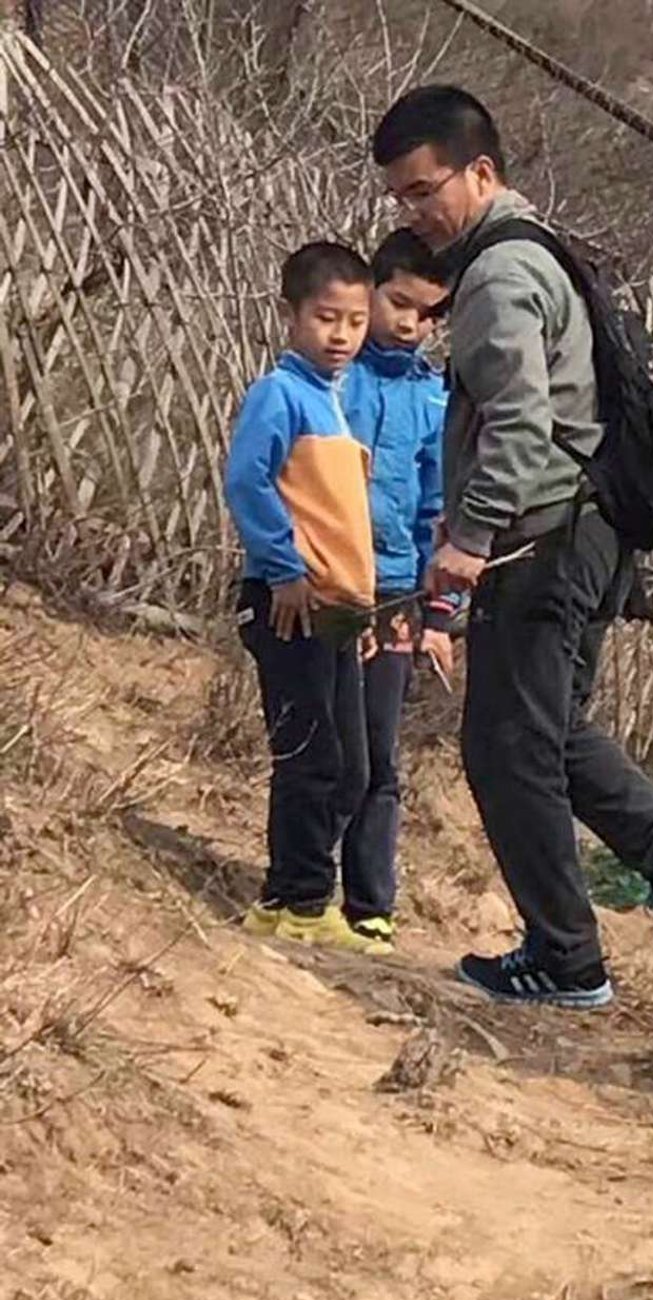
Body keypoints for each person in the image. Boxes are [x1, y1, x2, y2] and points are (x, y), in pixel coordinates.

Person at [372, 85, 653, 1009]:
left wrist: (468, 537)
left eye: (423, 191)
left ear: (479, 171)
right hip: (589, 532)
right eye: (401, 198)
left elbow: (521, 426)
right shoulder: (541, 254)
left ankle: (567, 958)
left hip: (542, 538)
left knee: (503, 747)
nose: (415, 214)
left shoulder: (495, 276)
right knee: (548, 728)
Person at [225, 240, 377, 949]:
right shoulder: (279, 395)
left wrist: (363, 606)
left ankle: (303, 889)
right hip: (290, 600)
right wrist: (282, 567)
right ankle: (296, 900)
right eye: (326, 317)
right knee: (310, 755)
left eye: (354, 320)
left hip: (339, 611)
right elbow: (248, 482)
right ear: (291, 315)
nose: (341, 334)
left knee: (350, 762)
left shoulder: (339, 404)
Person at [340, 229, 454, 953]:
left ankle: (371, 901)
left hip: (397, 595)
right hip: (326, 584)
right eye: (399, 302)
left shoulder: (436, 401)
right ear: (372, 291)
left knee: (381, 753)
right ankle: (302, 882)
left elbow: (436, 509)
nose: (409, 323)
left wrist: (438, 609)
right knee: (327, 745)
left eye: (428, 312)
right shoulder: (335, 379)